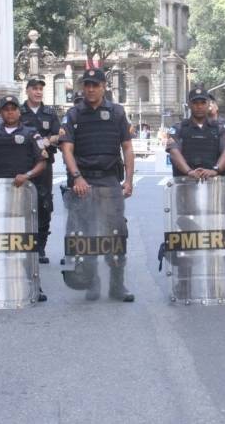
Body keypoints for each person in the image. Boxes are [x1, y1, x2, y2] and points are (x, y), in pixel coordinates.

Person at [61, 68, 136, 302]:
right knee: (86, 234)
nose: (91, 89)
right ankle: (92, 281)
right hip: (84, 181)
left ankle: (117, 285)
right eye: (87, 85)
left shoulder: (117, 112)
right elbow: (66, 149)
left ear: (104, 86)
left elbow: (127, 148)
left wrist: (129, 180)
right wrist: (77, 177)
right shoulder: (73, 114)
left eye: (95, 85)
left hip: (109, 181)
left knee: (116, 233)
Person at [0, 94, 49, 302]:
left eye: (13, 109)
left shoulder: (31, 133)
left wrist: (27, 175)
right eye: (6, 109)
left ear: (19, 111)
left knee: (25, 242)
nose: (10, 112)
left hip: (22, 195)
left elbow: (42, 162)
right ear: (1, 112)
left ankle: (34, 284)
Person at [19, 76, 63, 264]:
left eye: (40, 89)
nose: (38, 92)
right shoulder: (18, 111)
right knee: (22, 205)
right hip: (23, 165)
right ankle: (24, 245)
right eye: (34, 88)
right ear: (27, 90)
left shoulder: (49, 113)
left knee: (44, 205)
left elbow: (60, 134)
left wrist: (48, 140)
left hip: (45, 165)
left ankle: (41, 247)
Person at [166, 88, 225, 180]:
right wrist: (189, 171)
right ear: (189, 105)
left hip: (215, 183)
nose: (199, 106)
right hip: (185, 183)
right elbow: (174, 152)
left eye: (203, 103)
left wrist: (215, 170)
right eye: (195, 103)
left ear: (208, 104)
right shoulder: (178, 128)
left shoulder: (220, 128)